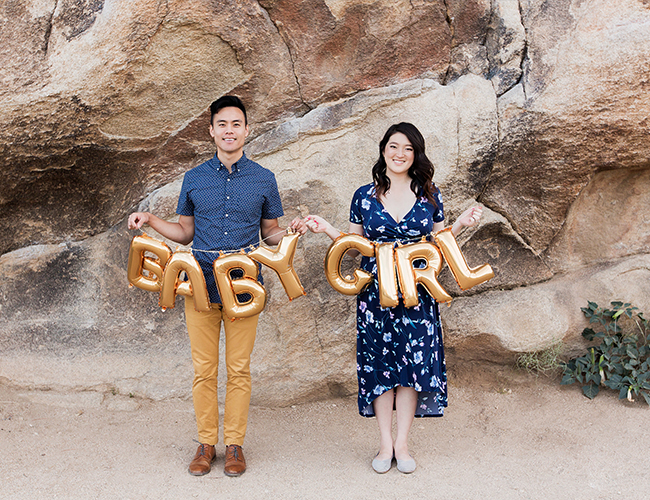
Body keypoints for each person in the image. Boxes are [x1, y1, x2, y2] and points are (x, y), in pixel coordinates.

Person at [128, 95, 306, 477]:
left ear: (246, 129)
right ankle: (207, 443)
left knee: (239, 369)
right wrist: (152, 219)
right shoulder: (194, 179)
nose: (229, 130)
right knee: (204, 369)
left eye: (236, 124)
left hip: (244, 287)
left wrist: (288, 230)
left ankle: (235, 445)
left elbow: (270, 232)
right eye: (222, 124)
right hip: (200, 286)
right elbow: (186, 233)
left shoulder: (264, 178)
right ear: (212, 130)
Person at [305, 122, 482, 474]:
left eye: (408, 149)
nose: (400, 154)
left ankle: (402, 444)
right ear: (383, 149)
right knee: (381, 368)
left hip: (417, 295)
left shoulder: (431, 195)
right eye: (394, 146)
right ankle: (384, 444)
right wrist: (327, 229)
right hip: (376, 296)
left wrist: (460, 224)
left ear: (416, 155)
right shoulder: (363, 196)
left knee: (411, 369)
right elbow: (353, 250)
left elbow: (438, 246)